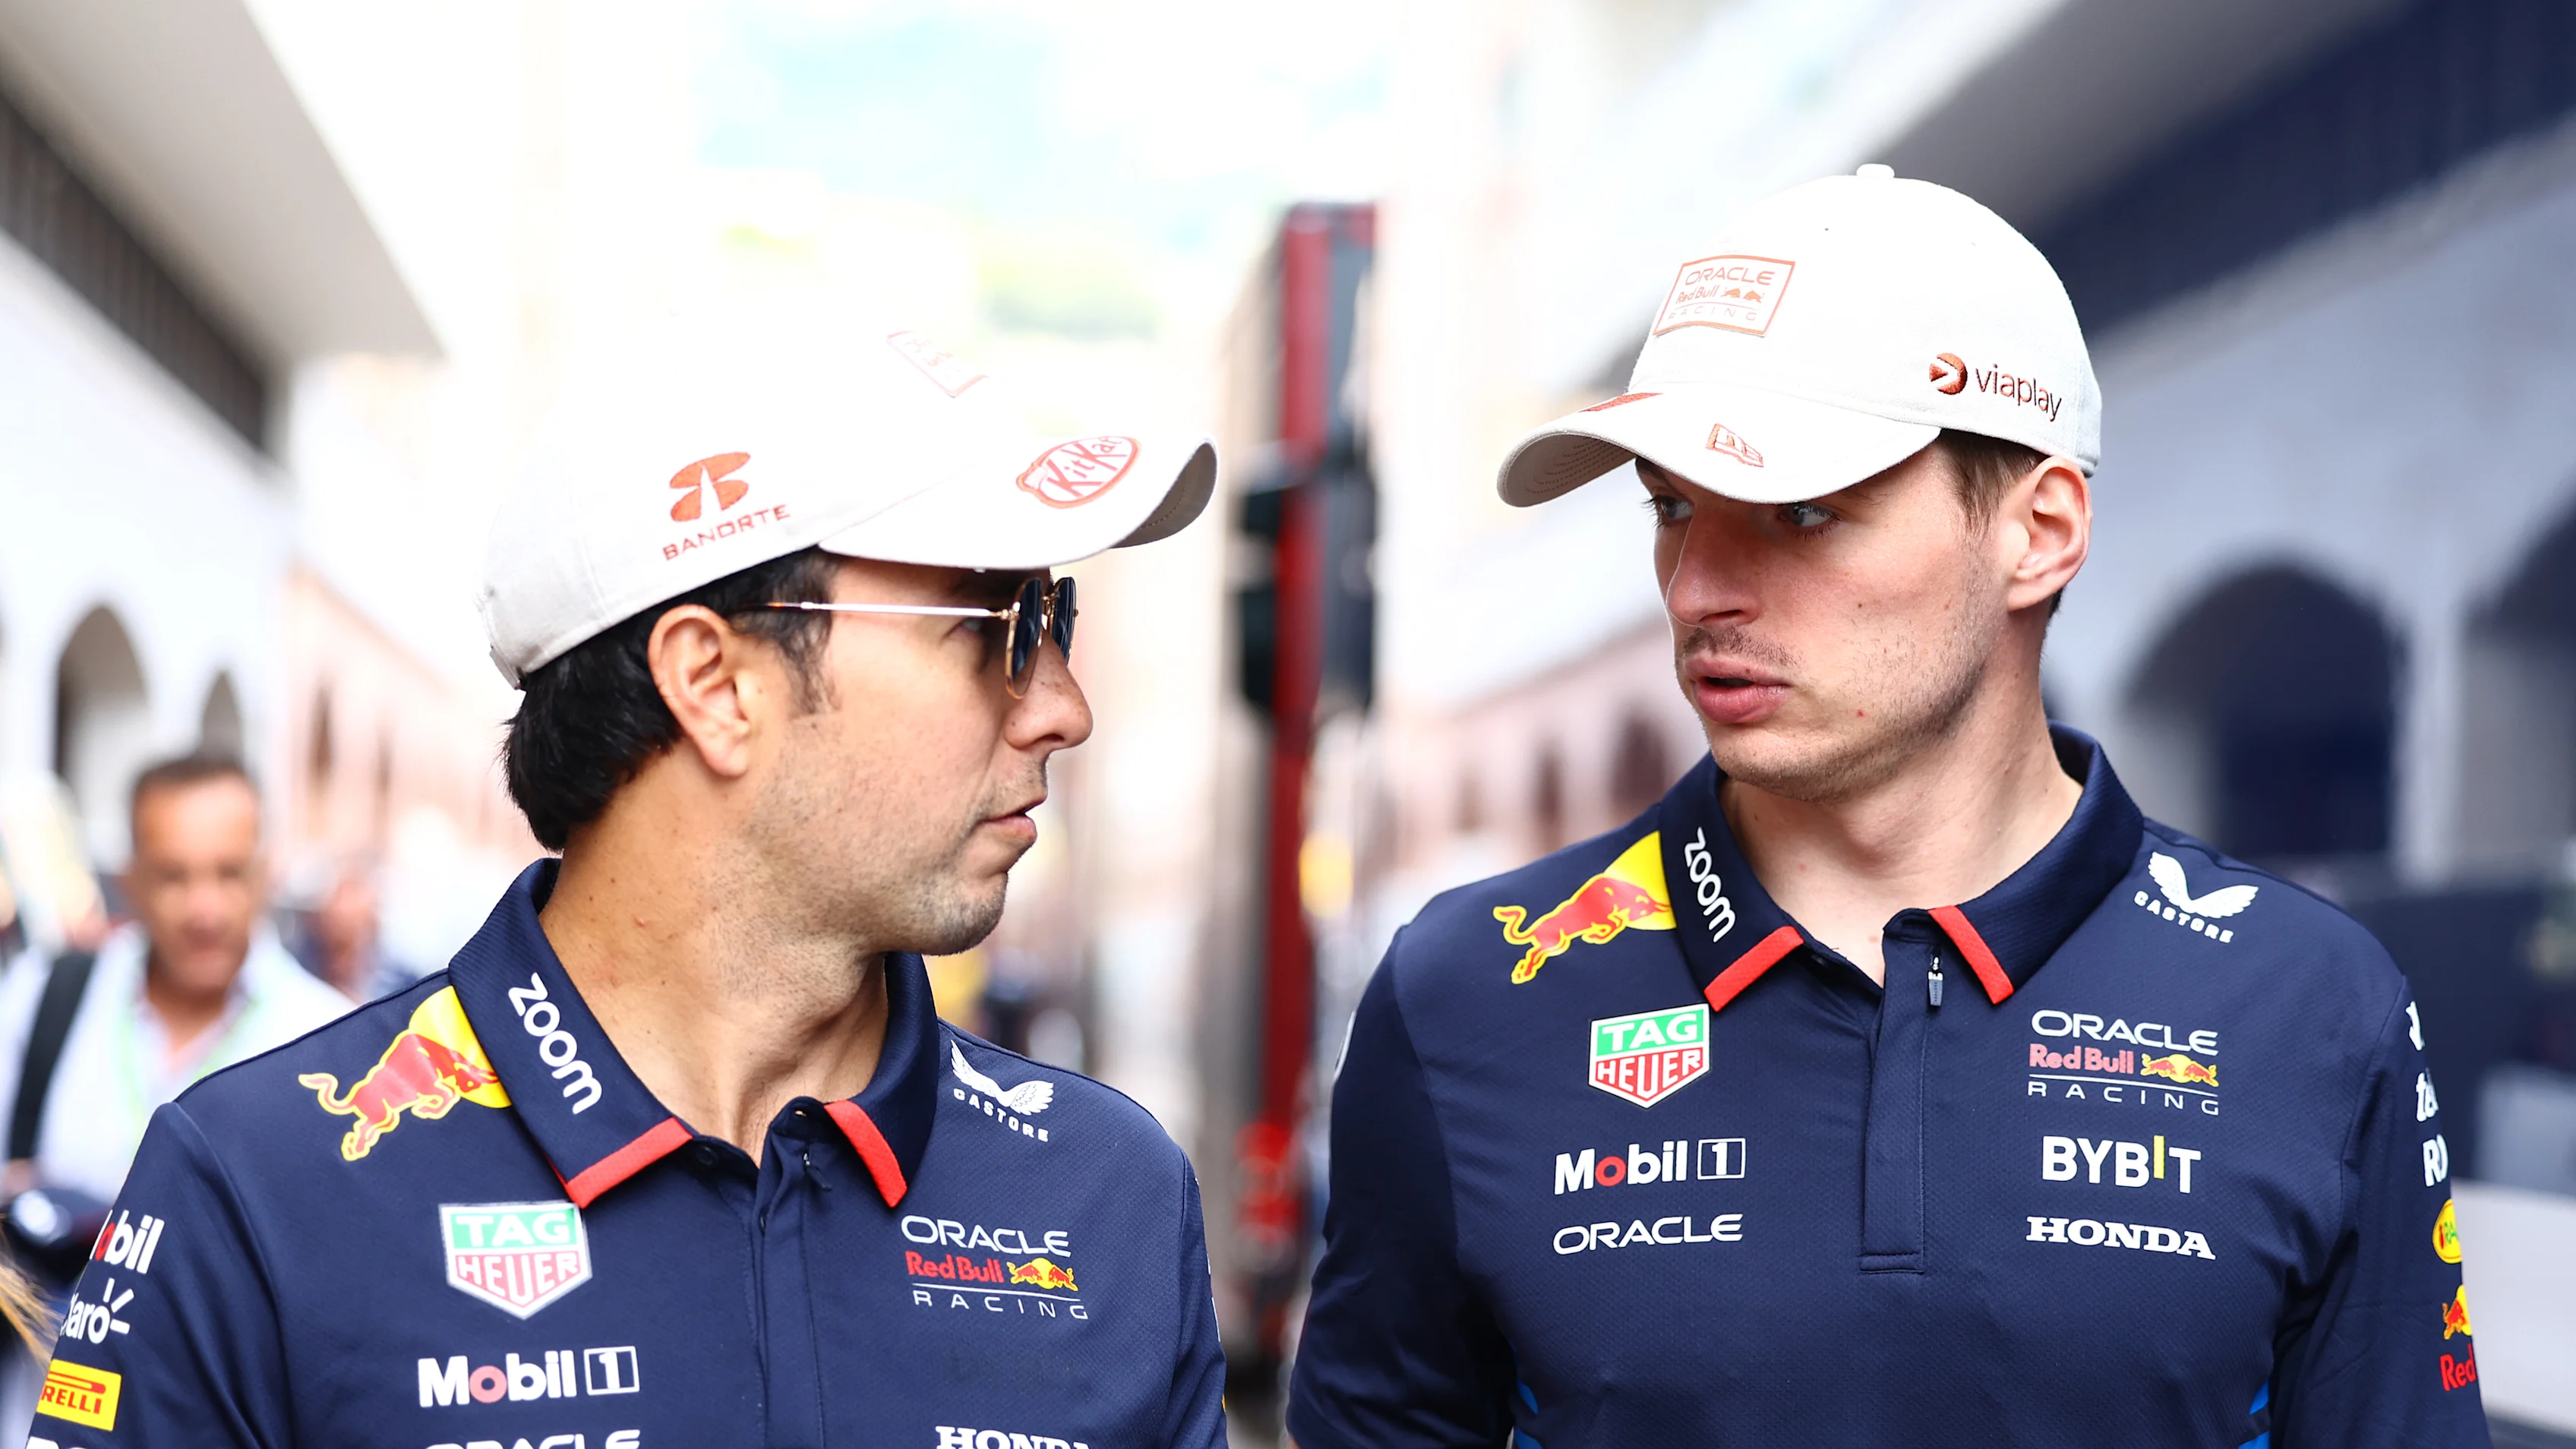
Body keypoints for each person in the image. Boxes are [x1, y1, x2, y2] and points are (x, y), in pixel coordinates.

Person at [1289, 168, 2486, 1446]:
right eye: (1673, 506)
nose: (1699, 585)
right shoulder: (1472, 991)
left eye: (1804, 511)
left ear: (2039, 529)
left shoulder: (2309, 1004)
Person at [34, 333, 1230, 1447]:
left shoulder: (1109, 1194)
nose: (1064, 707)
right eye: (997, 626)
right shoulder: (258, 1193)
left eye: (1056, 615)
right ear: (714, 682)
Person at [0, 755, 352, 1438]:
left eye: (229, 872)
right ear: (129, 878)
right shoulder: (45, 996)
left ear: (266, 872)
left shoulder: (330, 1038)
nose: (204, 908)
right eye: (173, 875)